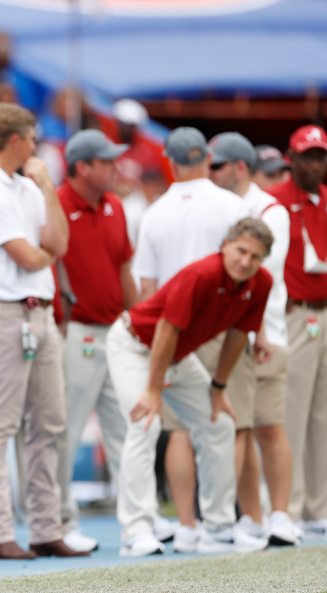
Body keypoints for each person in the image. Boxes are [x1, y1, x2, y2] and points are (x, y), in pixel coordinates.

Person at [0, 102, 83, 560]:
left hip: (39, 312)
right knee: (0, 423)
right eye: (31, 137)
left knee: (49, 422)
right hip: (5, 310)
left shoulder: (27, 185)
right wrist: (42, 253)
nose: (36, 146)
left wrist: (48, 186)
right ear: (16, 141)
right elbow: (30, 257)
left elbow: (58, 244)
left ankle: (46, 527)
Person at [108, 218, 274, 557]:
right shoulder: (202, 274)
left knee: (220, 423)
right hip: (135, 345)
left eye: (255, 257)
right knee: (145, 422)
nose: (246, 261)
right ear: (225, 245)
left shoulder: (260, 283)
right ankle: (136, 530)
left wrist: (218, 389)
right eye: (241, 251)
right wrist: (154, 391)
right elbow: (166, 330)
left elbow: (238, 335)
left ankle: (216, 528)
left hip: (177, 356)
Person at [131, 126, 244, 552]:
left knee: (178, 429)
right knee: (223, 422)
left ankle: (187, 524)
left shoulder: (155, 211)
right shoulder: (232, 204)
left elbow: (146, 286)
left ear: (172, 162)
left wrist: (154, 340)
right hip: (219, 322)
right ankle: (222, 519)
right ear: (205, 159)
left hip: (172, 329)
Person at [207, 132, 297, 546]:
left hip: (266, 331)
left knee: (269, 426)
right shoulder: (223, 206)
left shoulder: (269, 209)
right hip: (235, 333)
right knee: (240, 425)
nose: (209, 173)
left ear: (239, 167)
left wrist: (258, 330)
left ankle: (280, 515)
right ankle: (253, 518)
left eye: (216, 166)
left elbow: (263, 278)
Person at [55, 130, 137, 553]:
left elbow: (125, 267)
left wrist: (136, 322)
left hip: (115, 331)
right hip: (77, 331)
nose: (115, 167)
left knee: (126, 428)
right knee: (65, 429)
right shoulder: (54, 205)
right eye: (107, 161)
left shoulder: (115, 206)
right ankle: (62, 521)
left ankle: (138, 520)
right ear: (83, 167)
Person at [269, 125, 327, 536]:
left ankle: (317, 507)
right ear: (290, 159)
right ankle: (286, 504)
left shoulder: (326, 200)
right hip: (295, 313)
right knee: (292, 410)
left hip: (324, 313)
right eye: (308, 156)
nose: (315, 164)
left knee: (322, 415)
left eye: (321, 156)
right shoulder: (276, 203)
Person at [111, 99, 171, 246]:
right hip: (110, 199)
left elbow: (158, 185)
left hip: (138, 202)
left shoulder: (146, 153)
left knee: (136, 213)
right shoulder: (107, 148)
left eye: (130, 126)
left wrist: (137, 190)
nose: (125, 129)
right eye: (123, 124)